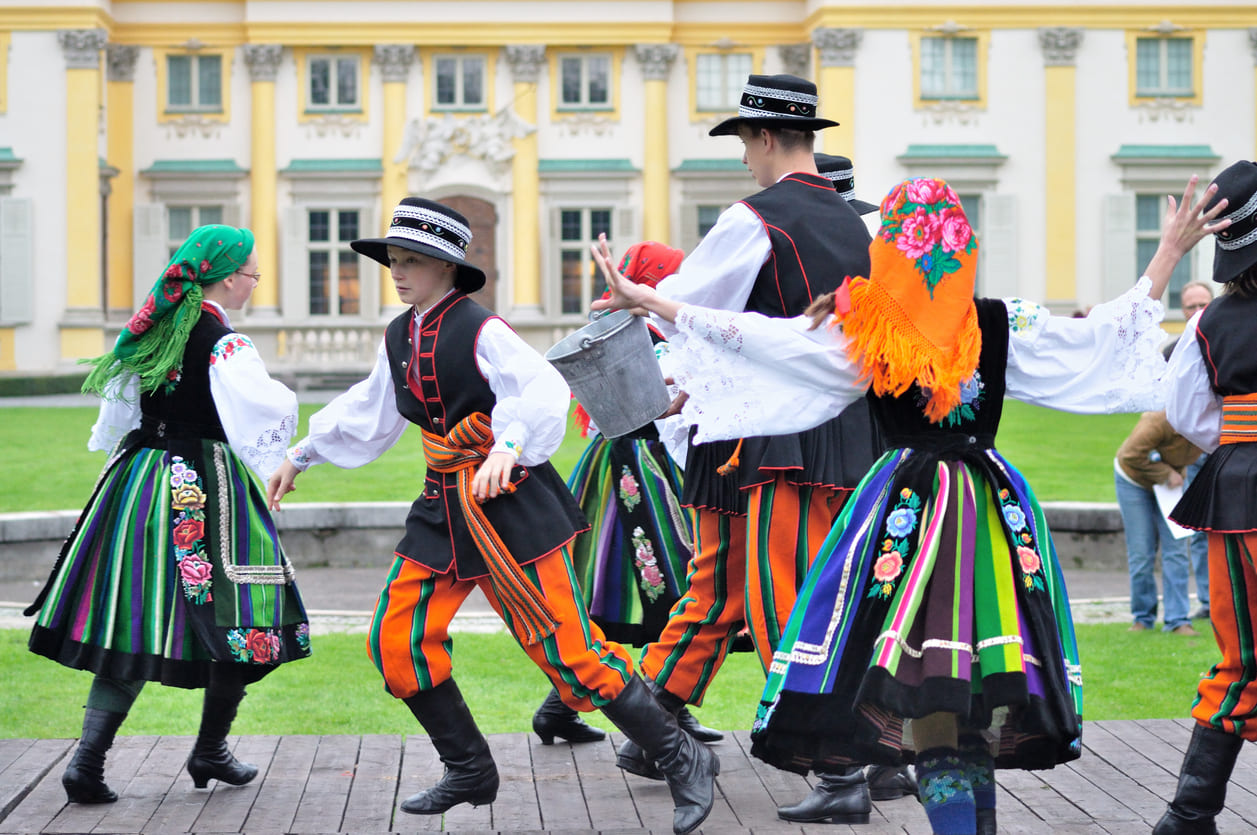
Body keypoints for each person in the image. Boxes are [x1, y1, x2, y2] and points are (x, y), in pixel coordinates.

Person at [591, 173, 1225, 835]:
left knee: (931, 697)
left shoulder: (868, 328)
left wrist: (659, 305)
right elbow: (1101, 334)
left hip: (905, 519)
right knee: (969, 697)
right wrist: (1167, 252)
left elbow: (766, 342)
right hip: (988, 516)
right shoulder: (998, 322)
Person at [265, 198, 717, 835]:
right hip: (442, 511)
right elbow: (371, 409)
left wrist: (505, 448)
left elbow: (542, 388)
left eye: (412, 261)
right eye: (393, 260)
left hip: (513, 509)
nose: (398, 271)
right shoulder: (399, 334)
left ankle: (681, 756)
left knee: (572, 654)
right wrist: (303, 454)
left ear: (447, 267)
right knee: (396, 643)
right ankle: (469, 767)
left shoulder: (483, 329)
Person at [610, 73, 908, 823]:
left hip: (778, 432)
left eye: (745, 142)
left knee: (787, 599)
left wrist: (643, 307)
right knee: (777, 587)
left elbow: (694, 304)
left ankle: (839, 767)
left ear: (768, 138)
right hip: (845, 428)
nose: (745, 157)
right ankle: (661, 725)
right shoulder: (857, 227)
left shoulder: (754, 218)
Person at [25, 225, 312, 803]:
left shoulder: (151, 328)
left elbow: (121, 408)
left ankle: (89, 761)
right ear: (229, 277)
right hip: (204, 484)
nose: (254, 284)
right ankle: (209, 749)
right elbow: (264, 412)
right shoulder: (226, 344)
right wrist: (289, 452)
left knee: (132, 615)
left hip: (139, 483)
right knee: (246, 611)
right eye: (253, 274)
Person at [530, 241, 722, 747]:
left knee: (622, 589)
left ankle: (564, 709)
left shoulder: (629, 331)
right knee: (662, 584)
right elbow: (650, 406)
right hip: (637, 468)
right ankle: (665, 708)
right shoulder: (639, 334)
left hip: (633, 465)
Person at [1157, 159, 1257, 834]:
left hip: (1234, 490)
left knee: (1241, 654)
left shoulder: (1207, 320)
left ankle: (1188, 813)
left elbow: (1186, 413)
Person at [1113, 410, 1201, 635]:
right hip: (1133, 481)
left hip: (1173, 484)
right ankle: (1143, 617)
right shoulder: (1156, 421)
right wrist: (1165, 473)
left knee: (1177, 550)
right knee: (1142, 552)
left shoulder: (1205, 425)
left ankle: (1178, 620)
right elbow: (1129, 456)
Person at [1175, 280, 1215, 621]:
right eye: (1191, 306)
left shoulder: (1226, 336)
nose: (1198, 311)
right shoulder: (1175, 349)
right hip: (1190, 453)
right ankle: (1207, 599)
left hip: (1225, 446)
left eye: (1204, 303)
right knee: (1199, 530)